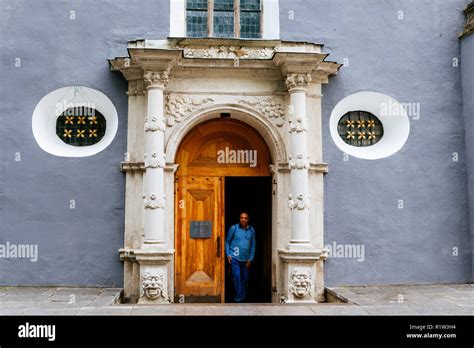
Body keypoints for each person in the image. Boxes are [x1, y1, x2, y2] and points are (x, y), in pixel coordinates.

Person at [225, 211, 256, 303]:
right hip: (234, 258)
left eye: (245, 218)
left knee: (245, 279)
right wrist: (228, 254)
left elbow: (253, 245)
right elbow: (227, 241)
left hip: (246, 260)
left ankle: (243, 297)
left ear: (248, 220)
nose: (243, 219)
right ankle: (238, 298)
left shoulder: (251, 230)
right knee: (237, 276)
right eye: (242, 218)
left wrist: (251, 259)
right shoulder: (233, 228)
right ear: (239, 219)